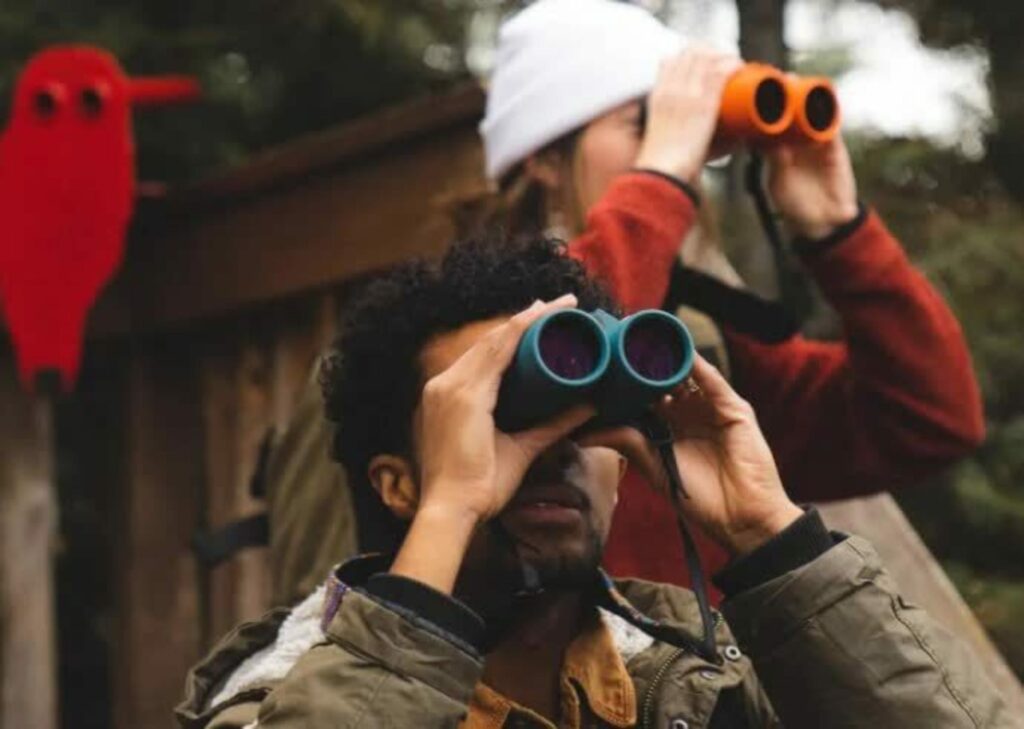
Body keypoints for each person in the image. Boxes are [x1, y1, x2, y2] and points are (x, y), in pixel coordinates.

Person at [177, 237, 1013, 729]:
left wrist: (773, 533)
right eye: (505, 413)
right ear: (399, 483)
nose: (554, 449)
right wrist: (455, 507)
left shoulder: (705, 672)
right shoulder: (285, 688)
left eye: (590, 420)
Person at [475, 0, 985, 586]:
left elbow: (929, 420)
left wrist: (839, 231)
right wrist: (659, 178)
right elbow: (565, 332)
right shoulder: (468, 318)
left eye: (694, 126)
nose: (685, 149)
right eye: (649, 122)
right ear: (542, 156)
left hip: (708, 675)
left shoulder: (699, 339)